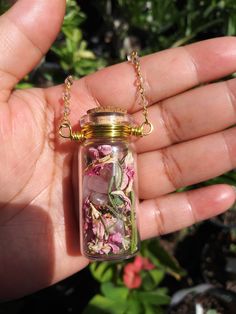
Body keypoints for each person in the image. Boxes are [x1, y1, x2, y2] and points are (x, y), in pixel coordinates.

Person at [1, 0, 236, 301]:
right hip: (100, 236)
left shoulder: (118, 149)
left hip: (111, 235)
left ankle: (115, 240)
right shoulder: (89, 149)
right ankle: (110, 240)